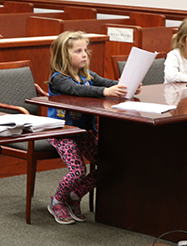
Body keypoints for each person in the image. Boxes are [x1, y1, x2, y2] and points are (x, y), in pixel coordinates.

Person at [47, 31, 135, 225]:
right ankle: (57, 201)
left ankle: (75, 196)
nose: (84, 54)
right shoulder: (58, 78)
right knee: (77, 171)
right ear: (64, 55)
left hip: (83, 133)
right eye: (78, 51)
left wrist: (127, 86)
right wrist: (105, 92)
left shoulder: (87, 75)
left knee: (110, 164)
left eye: (85, 50)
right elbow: (78, 90)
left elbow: (108, 83)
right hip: (63, 133)